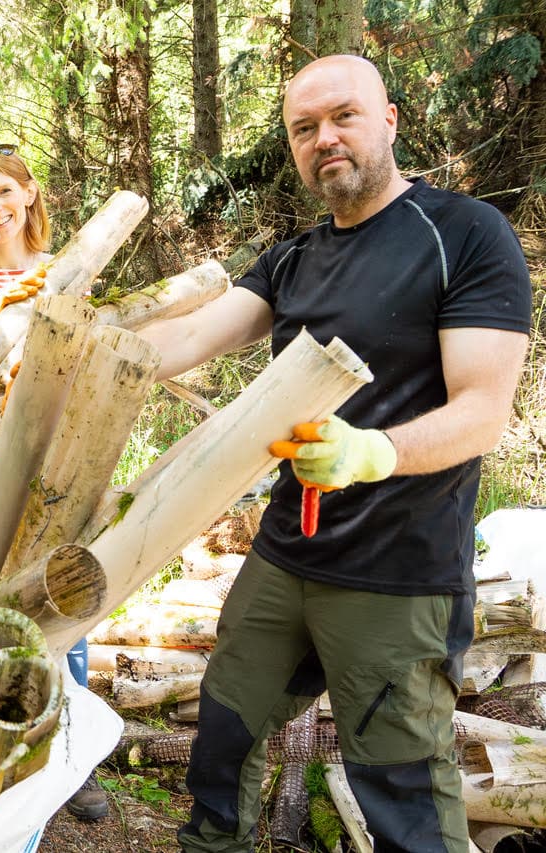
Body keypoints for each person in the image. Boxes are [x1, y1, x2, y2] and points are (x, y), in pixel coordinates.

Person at [135, 55, 532, 852]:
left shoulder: (464, 235)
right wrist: (67, 346)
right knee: (223, 737)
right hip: (288, 554)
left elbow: (484, 411)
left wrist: (370, 453)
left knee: (401, 793)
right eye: (304, 128)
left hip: (398, 574)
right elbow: (183, 337)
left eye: (343, 116)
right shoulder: (293, 258)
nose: (325, 139)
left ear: (388, 118)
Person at [0, 145, 109, 822]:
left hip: (60, 460)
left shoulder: (67, 273)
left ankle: (70, 755)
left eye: (6, 191)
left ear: (32, 193)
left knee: (65, 604)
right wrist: (3, 315)